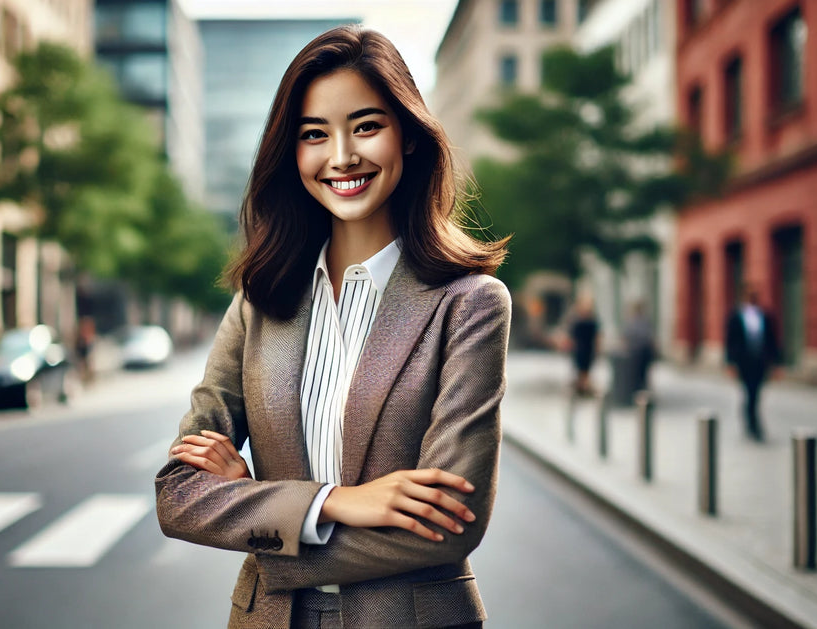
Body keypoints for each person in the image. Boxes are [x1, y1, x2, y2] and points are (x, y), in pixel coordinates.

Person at [155, 25, 511, 629]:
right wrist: (338, 502)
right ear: (291, 155)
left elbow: (450, 522)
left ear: (410, 137)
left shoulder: (469, 305)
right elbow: (179, 496)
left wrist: (263, 526)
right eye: (314, 134)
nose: (342, 156)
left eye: (367, 126)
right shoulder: (258, 303)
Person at [725, 285, 781, 442]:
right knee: (749, 393)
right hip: (744, 362)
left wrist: (776, 363)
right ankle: (752, 425)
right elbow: (730, 341)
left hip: (760, 362)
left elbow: (772, 340)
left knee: (756, 394)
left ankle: (753, 423)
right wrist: (730, 363)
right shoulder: (736, 316)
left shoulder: (765, 315)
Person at [567, 295, 600, 396]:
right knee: (582, 370)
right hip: (580, 349)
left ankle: (583, 388)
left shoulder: (591, 321)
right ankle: (582, 388)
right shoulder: (577, 320)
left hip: (587, 348)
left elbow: (597, 336)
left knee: (585, 370)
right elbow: (571, 336)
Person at [623, 300, 655, 396]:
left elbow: (627, 336)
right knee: (642, 374)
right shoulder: (645, 321)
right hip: (643, 351)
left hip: (637, 352)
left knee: (638, 373)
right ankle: (642, 391)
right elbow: (649, 336)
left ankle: (639, 392)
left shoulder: (632, 321)